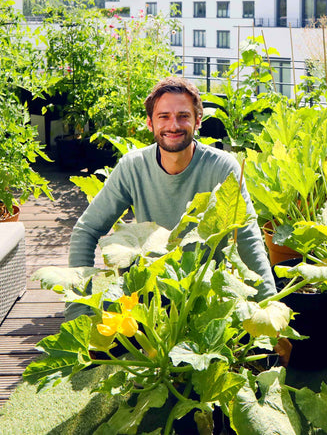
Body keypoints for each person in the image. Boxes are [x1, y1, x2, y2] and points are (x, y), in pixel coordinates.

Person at [66, 76, 276, 320]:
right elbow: (86, 230)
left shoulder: (221, 167)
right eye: (163, 116)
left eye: (183, 116)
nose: (173, 125)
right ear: (150, 123)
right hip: (147, 297)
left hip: (204, 296)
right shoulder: (133, 167)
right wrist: (79, 312)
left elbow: (248, 239)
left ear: (198, 121)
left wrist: (268, 309)